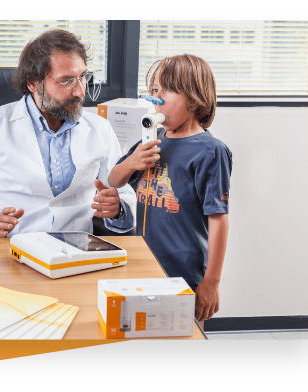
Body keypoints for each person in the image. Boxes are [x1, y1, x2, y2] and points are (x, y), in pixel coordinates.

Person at [0, 29, 136, 239]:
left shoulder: (101, 129)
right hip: (9, 250)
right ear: (33, 82)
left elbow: (123, 192)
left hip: (75, 253)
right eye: (66, 80)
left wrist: (118, 209)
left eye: (82, 77)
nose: (80, 91)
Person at [107, 54, 232, 323]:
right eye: (154, 90)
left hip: (182, 271)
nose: (157, 99)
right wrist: (132, 161)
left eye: (168, 90)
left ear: (195, 98)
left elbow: (218, 219)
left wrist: (212, 281)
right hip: (142, 263)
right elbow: (114, 180)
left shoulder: (211, 152)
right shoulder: (153, 139)